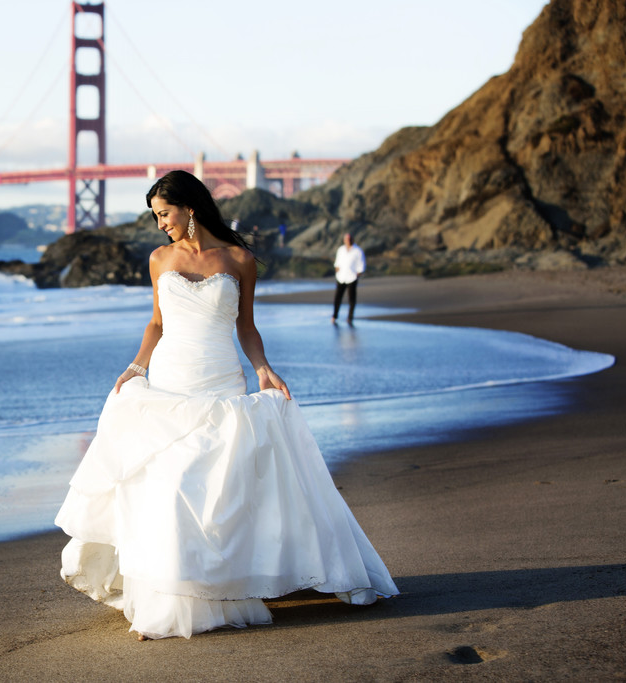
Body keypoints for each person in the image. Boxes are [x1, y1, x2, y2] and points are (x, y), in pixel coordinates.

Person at [54, 170, 398, 641]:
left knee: (219, 492)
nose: (160, 225)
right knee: (171, 487)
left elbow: (247, 327)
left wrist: (262, 368)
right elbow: (157, 323)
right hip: (170, 384)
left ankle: (227, 582)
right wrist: (137, 368)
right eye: (155, 217)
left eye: (165, 214)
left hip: (221, 382)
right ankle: (173, 596)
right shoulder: (159, 259)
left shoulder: (239, 259)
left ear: (189, 207)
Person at [332, 232, 366, 324]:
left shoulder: (358, 251)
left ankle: (350, 317)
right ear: (344, 240)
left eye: (349, 239)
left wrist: (357, 274)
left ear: (352, 239)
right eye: (346, 239)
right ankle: (334, 316)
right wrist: (337, 269)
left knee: (352, 298)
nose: (348, 241)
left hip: (352, 277)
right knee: (337, 297)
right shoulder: (341, 250)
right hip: (341, 277)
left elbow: (361, 264)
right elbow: (337, 262)